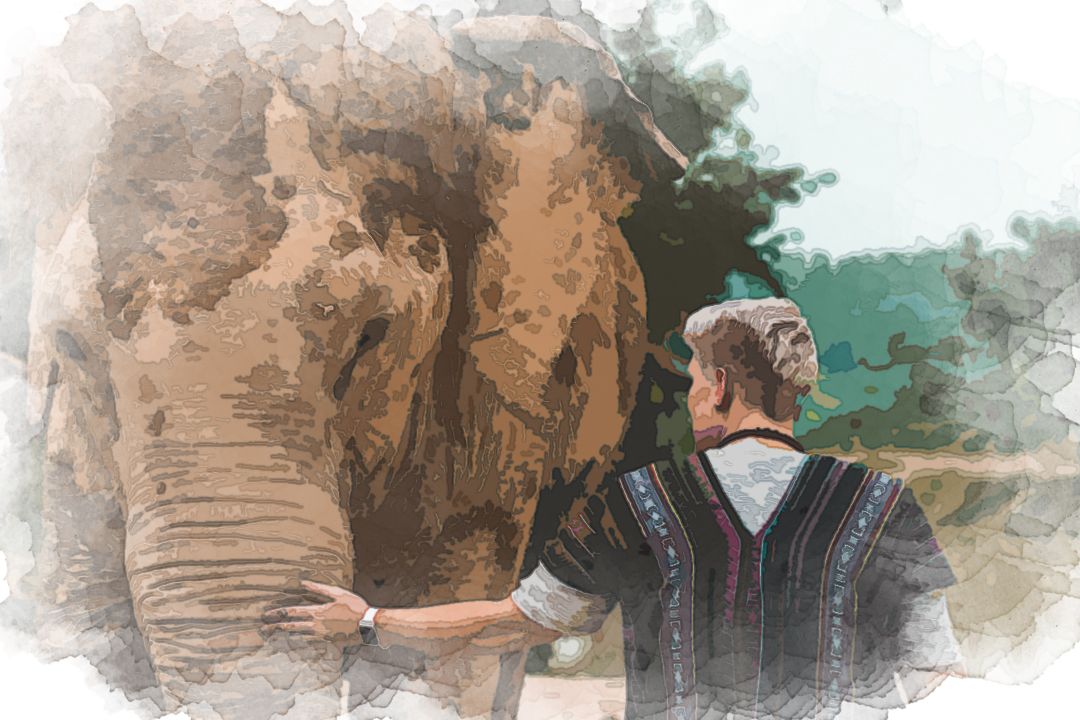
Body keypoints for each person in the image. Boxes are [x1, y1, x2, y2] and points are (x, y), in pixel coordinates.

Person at [264, 298, 963, 719]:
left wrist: (368, 620)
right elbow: (933, 672)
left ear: (719, 386)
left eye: (693, 381)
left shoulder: (636, 502)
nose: (692, 398)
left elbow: (514, 624)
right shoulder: (884, 504)